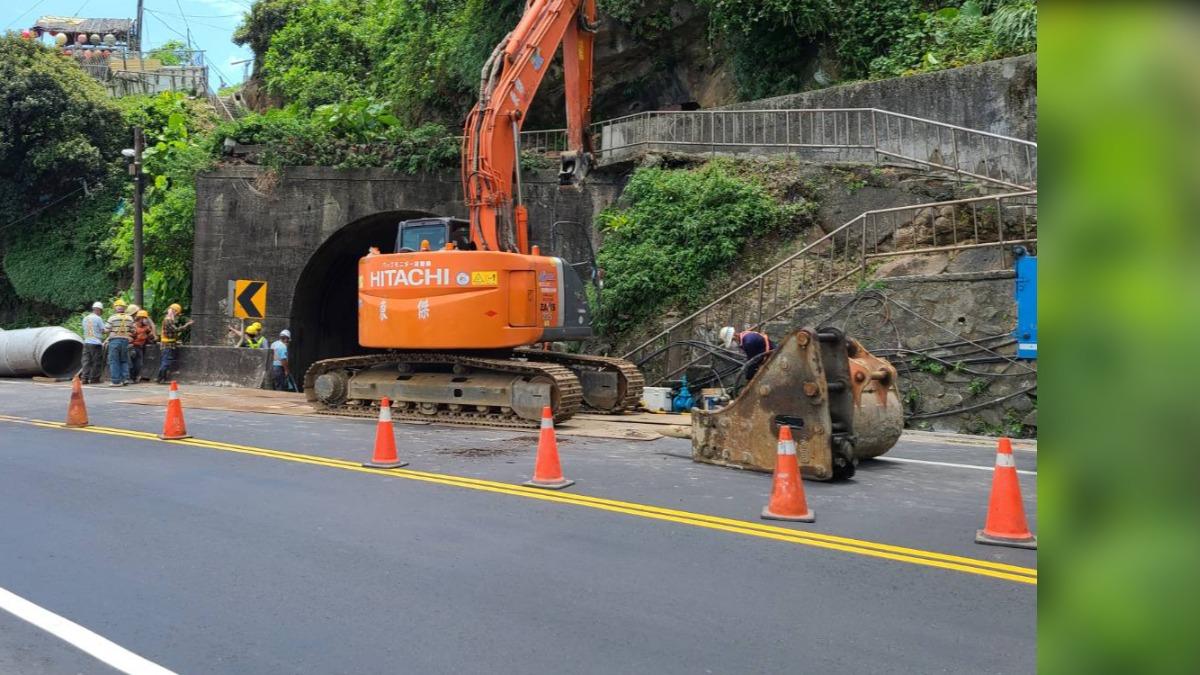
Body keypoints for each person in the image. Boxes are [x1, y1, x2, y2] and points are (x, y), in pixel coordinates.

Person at [156, 303, 193, 384]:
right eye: (176, 313)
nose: (176, 315)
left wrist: (176, 341)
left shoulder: (169, 319)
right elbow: (175, 330)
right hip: (167, 345)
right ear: (174, 311)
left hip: (170, 344)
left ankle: (162, 379)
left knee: (166, 362)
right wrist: (187, 325)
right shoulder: (168, 320)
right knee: (166, 362)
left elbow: (171, 333)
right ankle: (160, 378)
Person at [105, 300, 134, 386]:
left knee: (114, 361)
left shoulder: (112, 318)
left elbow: (106, 329)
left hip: (114, 341)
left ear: (115, 307)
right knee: (124, 360)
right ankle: (125, 379)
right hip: (125, 341)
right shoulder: (130, 318)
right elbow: (133, 330)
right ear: (124, 308)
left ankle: (116, 381)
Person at [80, 301, 106, 384]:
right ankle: (94, 379)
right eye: (101, 311)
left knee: (86, 361)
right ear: (99, 310)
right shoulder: (98, 318)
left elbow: (84, 329)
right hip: (96, 343)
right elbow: (103, 330)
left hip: (86, 342)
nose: (101, 313)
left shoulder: (85, 318)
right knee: (96, 361)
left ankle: (84, 378)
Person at [129, 310, 157, 382]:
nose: (146, 320)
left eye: (146, 318)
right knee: (133, 363)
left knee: (139, 364)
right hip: (133, 346)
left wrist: (153, 334)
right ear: (140, 318)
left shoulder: (146, 327)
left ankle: (134, 377)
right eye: (144, 318)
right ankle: (131, 377)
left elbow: (151, 336)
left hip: (140, 347)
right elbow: (130, 336)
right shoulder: (134, 326)